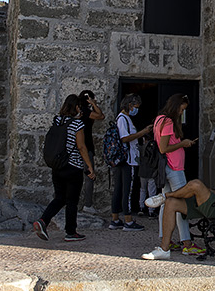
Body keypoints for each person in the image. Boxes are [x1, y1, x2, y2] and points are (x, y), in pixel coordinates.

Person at [142, 134, 215, 260]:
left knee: (196, 184)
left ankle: (164, 196)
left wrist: (212, 192)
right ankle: (164, 249)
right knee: (172, 203)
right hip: (213, 202)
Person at [32, 94, 95, 242]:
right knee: (72, 201)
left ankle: (43, 221)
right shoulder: (77, 124)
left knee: (60, 197)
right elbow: (81, 146)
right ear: (77, 107)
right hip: (73, 167)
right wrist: (90, 167)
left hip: (58, 166)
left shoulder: (57, 121)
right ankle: (71, 232)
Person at [151, 93, 198, 253]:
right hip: (174, 167)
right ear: (175, 106)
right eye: (181, 109)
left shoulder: (159, 119)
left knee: (166, 203)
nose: (181, 113)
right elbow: (164, 148)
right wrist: (182, 144)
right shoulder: (168, 122)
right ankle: (187, 243)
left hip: (167, 167)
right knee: (181, 204)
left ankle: (166, 239)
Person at [107, 93, 152, 231]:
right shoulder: (123, 119)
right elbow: (125, 138)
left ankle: (115, 219)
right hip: (127, 159)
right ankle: (128, 220)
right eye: (135, 107)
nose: (136, 110)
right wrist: (143, 132)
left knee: (119, 189)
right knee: (127, 189)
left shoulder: (123, 118)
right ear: (130, 105)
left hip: (123, 159)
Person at [78, 89, 104, 212]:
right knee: (89, 175)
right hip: (86, 146)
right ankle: (88, 205)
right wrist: (93, 104)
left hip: (77, 147)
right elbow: (101, 116)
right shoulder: (86, 111)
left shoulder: (78, 111)